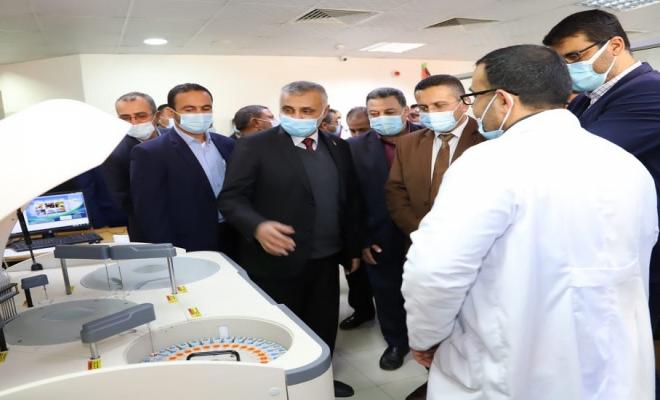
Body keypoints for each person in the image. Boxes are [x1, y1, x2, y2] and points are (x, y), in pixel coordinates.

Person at [402, 44, 658, 400]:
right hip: (612, 362)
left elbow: (435, 271)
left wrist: (426, 336)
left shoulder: (486, 163)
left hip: (514, 366)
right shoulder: (626, 164)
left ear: (502, 100)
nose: (474, 107)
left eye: (475, 96)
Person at [218, 81, 361, 398]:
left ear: (324, 111)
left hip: (326, 259)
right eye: (288, 110)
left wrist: (351, 247)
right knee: (283, 332)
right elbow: (231, 199)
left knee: (323, 326)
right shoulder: (255, 146)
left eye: (307, 110)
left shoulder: (338, 147)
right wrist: (257, 226)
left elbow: (349, 200)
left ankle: (320, 382)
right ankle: (281, 388)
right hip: (275, 260)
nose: (297, 116)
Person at [543, 9, 660, 346]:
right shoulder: (586, 100)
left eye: (574, 57)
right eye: (561, 62)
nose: (568, 69)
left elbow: (575, 157)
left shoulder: (650, 92)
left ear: (615, 45)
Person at [385, 75, 483, 399]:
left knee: (469, 327)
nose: (431, 113)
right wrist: (421, 235)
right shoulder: (409, 143)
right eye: (424, 107)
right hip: (421, 248)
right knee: (431, 322)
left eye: (439, 105)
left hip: (472, 254)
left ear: (463, 102)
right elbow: (396, 192)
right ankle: (436, 379)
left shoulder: (487, 139)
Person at [345, 87, 414, 371]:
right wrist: (361, 239)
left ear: (405, 111)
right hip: (379, 236)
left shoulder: (429, 137)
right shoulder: (353, 148)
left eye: (389, 112)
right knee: (387, 293)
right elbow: (350, 199)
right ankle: (396, 342)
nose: (381, 118)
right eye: (374, 113)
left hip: (425, 233)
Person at [130, 83, 236, 256]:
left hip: (232, 235)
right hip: (188, 242)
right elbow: (150, 210)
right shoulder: (151, 152)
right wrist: (168, 252)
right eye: (189, 109)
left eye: (205, 108)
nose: (199, 114)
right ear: (172, 113)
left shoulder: (227, 144)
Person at [103, 92, 160, 241]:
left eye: (141, 116)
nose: (134, 123)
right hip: (148, 229)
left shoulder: (175, 138)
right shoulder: (115, 153)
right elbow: (123, 200)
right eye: (126, 118)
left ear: (156, 116)